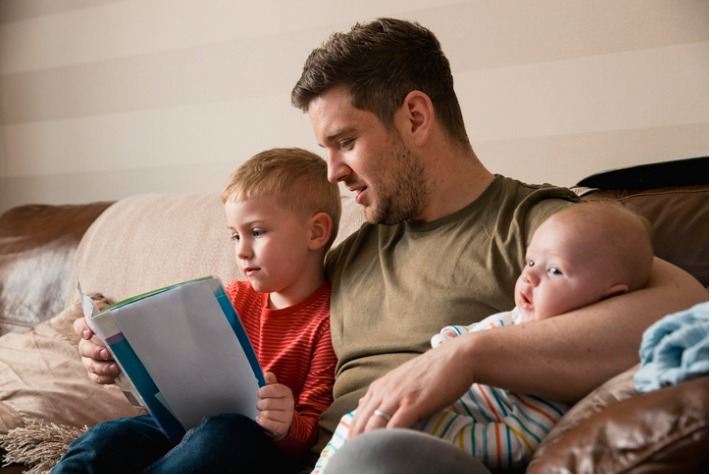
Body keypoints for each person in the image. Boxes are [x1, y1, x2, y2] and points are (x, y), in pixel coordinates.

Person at [76, 17, 706, 473]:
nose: (331, 172)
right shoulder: (348, 251)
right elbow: (255, 363)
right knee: (114, 446)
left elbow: (683, 307)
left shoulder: (537, 226)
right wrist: (140, 363)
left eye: (344, 141)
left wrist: (464, 357)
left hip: (396, 456)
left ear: (414, 116)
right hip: (290, 456)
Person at [313, 201, 654, 473]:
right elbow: (459, 337)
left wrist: (436, 424)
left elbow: (518, 441)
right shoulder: (513, 318)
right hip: (354, 433)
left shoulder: (556, 372)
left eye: (554, 271)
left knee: (374, 450)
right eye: (530, 262)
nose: (529, 278)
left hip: (424, 443)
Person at [56, 148, 341, 473]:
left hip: (253, 446)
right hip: (186, 428)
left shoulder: (329, 320)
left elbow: (315, 433)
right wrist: (115, 352)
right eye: (234, 236)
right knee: (106, 438)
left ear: (316, 232)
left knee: (225, 435)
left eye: (257, 232)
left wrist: (288, 425)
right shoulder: (231, 297)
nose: (242, 251)